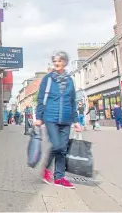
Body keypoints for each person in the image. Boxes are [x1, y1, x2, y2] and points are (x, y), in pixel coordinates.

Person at [34, 51, 81, 189]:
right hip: (51, 117)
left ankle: (59, 177)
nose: (56, 64)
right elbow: (41, 99)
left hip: (66, 119)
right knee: (57, 145)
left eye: (59, 61)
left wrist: (76, 120)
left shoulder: (70, 80)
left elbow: (73, 101)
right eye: (54, 61)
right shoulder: (48, 79)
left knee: (63, 149)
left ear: (64, 62)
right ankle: (46, 169)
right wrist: (39, 117)